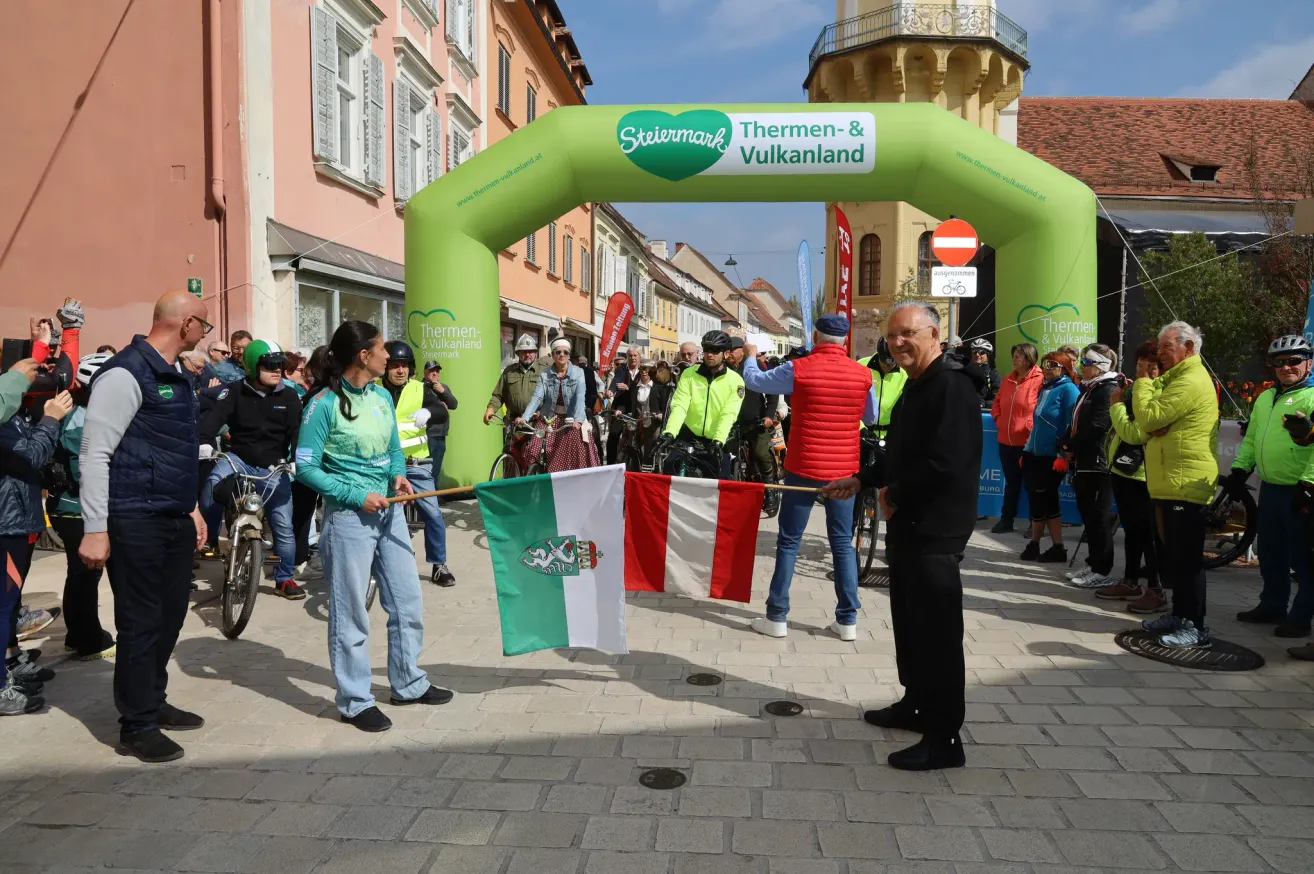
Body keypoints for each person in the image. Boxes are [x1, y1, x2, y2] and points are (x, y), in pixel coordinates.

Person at [822, 300, 982, 770]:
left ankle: (944, 737)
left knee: (937, 634)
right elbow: (900, 451)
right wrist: (864, 479)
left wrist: (897, 492)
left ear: (935, 334)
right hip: (910, 525)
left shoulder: (950, 386)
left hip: (936, 528)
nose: (897, 343)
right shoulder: (917, 385)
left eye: (907, 333)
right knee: (911, 625)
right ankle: (915, 704)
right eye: (891, 336)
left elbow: (946, 463)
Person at [296, 321, 453, 732]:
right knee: (350, 613)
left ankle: (408, 682)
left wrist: (398, 475)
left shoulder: (382, 395)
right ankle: (354, 700)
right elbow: (306, 468)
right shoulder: (322, 405)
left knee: (407, 600)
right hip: (349, 519)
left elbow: (393, 448)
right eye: (382, 349)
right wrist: (354, 495)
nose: (390, 357)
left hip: (391, 512)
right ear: (363, 356)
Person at [78, 290, 212, 762]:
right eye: (205, 326)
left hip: (171, 514)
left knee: (171, 614)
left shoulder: (172, 373)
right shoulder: (125, 374)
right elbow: (95, 452)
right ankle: (135, 726)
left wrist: (191, 506)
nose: (205, 335)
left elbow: (174, 452)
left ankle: (152, 701)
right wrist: (97, 526)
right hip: (134, 516)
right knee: (140, 623)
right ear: (187, 324)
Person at [740, 314, 878, 641]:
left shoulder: (798, 368)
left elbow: (755, 382)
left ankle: (777, 616)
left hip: (803, 466)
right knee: (842, 543)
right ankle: (847, 621)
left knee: (789, 541)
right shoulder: (863, 374)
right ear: (845, 340)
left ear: (816, 335)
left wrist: (749, 354)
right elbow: (870, 417)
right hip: (844, 470)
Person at [1110, 320, 1218, 648]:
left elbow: (1151, 419)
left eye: (1167, 347)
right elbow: (1148, 425)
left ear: (1189, 348)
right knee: (1173, 559)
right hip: (1169, 482)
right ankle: (1179, 614)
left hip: (1185, 482)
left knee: (1186, 560)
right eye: (1159, 348)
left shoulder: (1191, 379)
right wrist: (1151, 412)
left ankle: (1194, 626)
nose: (1160, 353)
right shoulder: (1176, 379)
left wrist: (1142, 383)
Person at [197, 339, 304, 600]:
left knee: (283, 525)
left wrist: (295, 460)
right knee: (212, 482)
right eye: (269, 365)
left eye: (280, 365)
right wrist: (202, 443)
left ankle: (284, 578)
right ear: (253, 367)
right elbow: (213, 421)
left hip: (274, 466)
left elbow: (297, 432)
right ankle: (208, 538)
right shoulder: (233, 391)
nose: (277, 370)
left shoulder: (289, 396)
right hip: (238, 458)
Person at [1223, 335, 1314, 638]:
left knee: (1302, 558)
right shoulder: (1265, 397)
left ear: (1309, 363)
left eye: (1294, 360)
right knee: (1271, 551)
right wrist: (1239, 469)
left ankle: (1300, 617)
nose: (1287, 366)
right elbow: (1252, 438)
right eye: (1280, 362)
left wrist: (1309, 483)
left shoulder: (1312, 396)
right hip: (1271, 487)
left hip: (1299, 489)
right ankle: (1273, 605)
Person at [0, 370, 71, 716]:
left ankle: (9, 661)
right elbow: (30, 457)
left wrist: (62, 336)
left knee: (9, 603)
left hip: (17, 517)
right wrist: (51, 420)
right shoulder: (3, 413)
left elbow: (63, 376)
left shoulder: (12, 409)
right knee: (3, 602)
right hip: (6, 521)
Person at [46, 352, 117, 662]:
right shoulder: (81, 420)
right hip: (74, 506)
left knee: (78, 573)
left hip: (71, 505)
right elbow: (85, 472)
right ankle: (89, 640)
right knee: (88, 573)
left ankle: (76, 635)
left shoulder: (81, 411)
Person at [378, 341, 455, 587]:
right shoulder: (373, 390)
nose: (400, 371)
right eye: (395, 366)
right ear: (385, 367)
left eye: (405, 366)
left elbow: (444, 412)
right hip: (384, 464)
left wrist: (430, 413)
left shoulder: (419, 388)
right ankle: (386, 564)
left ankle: (439, 564)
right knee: (384, 513)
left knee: (432, 513)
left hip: (417, 462)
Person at [1100, 341, 1164, 612]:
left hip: (1143, 473)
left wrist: (1116, 405)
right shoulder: (1136, 389)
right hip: (1122, 469)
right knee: (1131, 531)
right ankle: (1130, 580)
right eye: (1139, 365)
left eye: (1150, 366)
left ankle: (1155, 588)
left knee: (1148, 534)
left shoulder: (1159, 392)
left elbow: (1135, 433)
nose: (1143, 371)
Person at [1062, 344, 1120, 589]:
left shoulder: (1107, 389)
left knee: (1099, 518)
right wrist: (1066, 441)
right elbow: (1076, 421)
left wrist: (1071, 444)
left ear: (1099, 367)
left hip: (1099, 462)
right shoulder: (1090, 388)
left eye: (1085, 363)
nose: (1081, 367)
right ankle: (1093, 562)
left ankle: (1102, 569)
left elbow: (1098, 425)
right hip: (1084, 461)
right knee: (1089, 517)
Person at [658, 331, 745, 478]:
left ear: (726, 353)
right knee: (669, 468)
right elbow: (680, 406)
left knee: (721, 483)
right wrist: (670, 433)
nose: (710, 354)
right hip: (689, 435)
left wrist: (718, 440)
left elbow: (729, 414)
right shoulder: (689, 374)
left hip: (717, 439)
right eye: (706, 349)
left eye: (715, 350)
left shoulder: (735, 381)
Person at [1020, 351, 1079, 563]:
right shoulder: (1047, 387)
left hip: (1052, 456)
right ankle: (1050, 546)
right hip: (1035, 454)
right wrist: (1027, 449)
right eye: (1045, 363)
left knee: (1043, 498)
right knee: (1042, 499)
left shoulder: (1068, 389)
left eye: (1053, 364)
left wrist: (1063, 454)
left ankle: (1043, 544)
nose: (1047, 367)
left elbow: (1071, 425)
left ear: (1064, 368)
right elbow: (1038, 424)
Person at [519, 338, 600, 472]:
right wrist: (525, 417)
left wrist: (578, 421)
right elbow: (537, 397)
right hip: (549, 417)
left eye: (565, 352)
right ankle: (533, 476)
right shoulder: (545, 374)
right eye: (558, 352)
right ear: (552, 355)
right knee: (533, 449)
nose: (562, 355)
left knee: (575, 453)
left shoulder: (578, 372)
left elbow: (580, 397)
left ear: (569, 355)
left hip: (571, 418)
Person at [990, 343, 1041, 534]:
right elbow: (997, 402)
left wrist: (1029, 426)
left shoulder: (1040, 380)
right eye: (1014, 355)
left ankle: (1035, 524)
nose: (1014, 358)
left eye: (1019, 355)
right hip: (1006, 440)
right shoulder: (1007, 380)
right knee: (1012, 483)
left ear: (1029, 358)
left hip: (1028, 442)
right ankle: (1006, 520)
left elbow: (1042, 409)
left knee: (1031, 485)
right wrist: (998, 418)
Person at [729, 337, 779, 488]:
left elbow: (772, 390)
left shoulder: (753, 364)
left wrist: (769, 415)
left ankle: (770, 487)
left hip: (755, 421)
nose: (728, 354)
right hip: (731, 422)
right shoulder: (724, 368)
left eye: (731, 350)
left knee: (761, 453)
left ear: (741, 351)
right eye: (726, 351)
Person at [858, 336, 907, 438]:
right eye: (883, 360)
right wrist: (861, 429)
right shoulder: (860, 366)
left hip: (890, 435)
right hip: (863, 433)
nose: (887, 366)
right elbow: (849, 403)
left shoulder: (905, 374)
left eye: (892, 362)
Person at [421, 360, 457, 481]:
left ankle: (433, 496)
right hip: (427, 435)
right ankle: (427, 497)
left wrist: (443, 391)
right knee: (426, 470)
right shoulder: (419, 387)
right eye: (431, 371)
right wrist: (440, 406)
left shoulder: (443, 387)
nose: (435, 373)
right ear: (425, 372)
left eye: (437, 371)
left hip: (441, 435)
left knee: (435, 470)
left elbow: (454, 404)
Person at [607, 347, 641, 464]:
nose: (632, 358)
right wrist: (611, 390)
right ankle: (610, 464)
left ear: (639, 357)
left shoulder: (643, 371)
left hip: (638, 407)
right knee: (613, 434)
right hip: (621, 407)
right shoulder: (621, 369)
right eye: (630, 355)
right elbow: (616, 380)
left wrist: (628, 387)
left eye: (635, 355)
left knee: (640, 437)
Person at [967, 338, 1002, 406]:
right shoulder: (966, 371)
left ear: (988, 355)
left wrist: (985, 403)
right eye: (974, 352)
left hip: (984, 412)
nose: (977, 354)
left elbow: (997, 396)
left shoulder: (993, 374)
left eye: (981, 352)